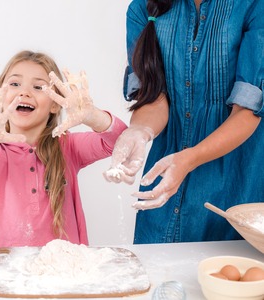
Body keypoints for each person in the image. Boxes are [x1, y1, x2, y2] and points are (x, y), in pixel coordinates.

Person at [104, 0, 264, 244]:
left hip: (237, 185)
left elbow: (248, 111)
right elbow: (153, 99)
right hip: (165, 185)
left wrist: (189, 158)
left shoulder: (253, 6)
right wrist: (140, 131)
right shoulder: (141, 9)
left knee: (227, 276)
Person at [0, 50, 127, 248]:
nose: (24, 92)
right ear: (0, 95)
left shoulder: (69, 147)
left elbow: (120, 141)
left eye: (39, 87)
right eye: (14, 84)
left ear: (55, 105)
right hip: (5, 272)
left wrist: (91, 115)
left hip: (64, 272)